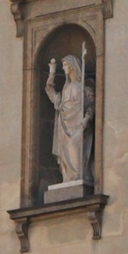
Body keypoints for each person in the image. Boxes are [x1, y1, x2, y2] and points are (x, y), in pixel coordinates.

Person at [45, 54, 94, 184]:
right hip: (64, 125)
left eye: (66, 65)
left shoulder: (83, 88)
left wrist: (86, 119)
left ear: (72, 67)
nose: (63, 67)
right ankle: (69, 178)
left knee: (76, 150)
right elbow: (56, 99)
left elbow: (91, 106)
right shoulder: (66, 88)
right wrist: (51, 77)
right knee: (67, 154)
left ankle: (79, 176)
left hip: (78, 124)